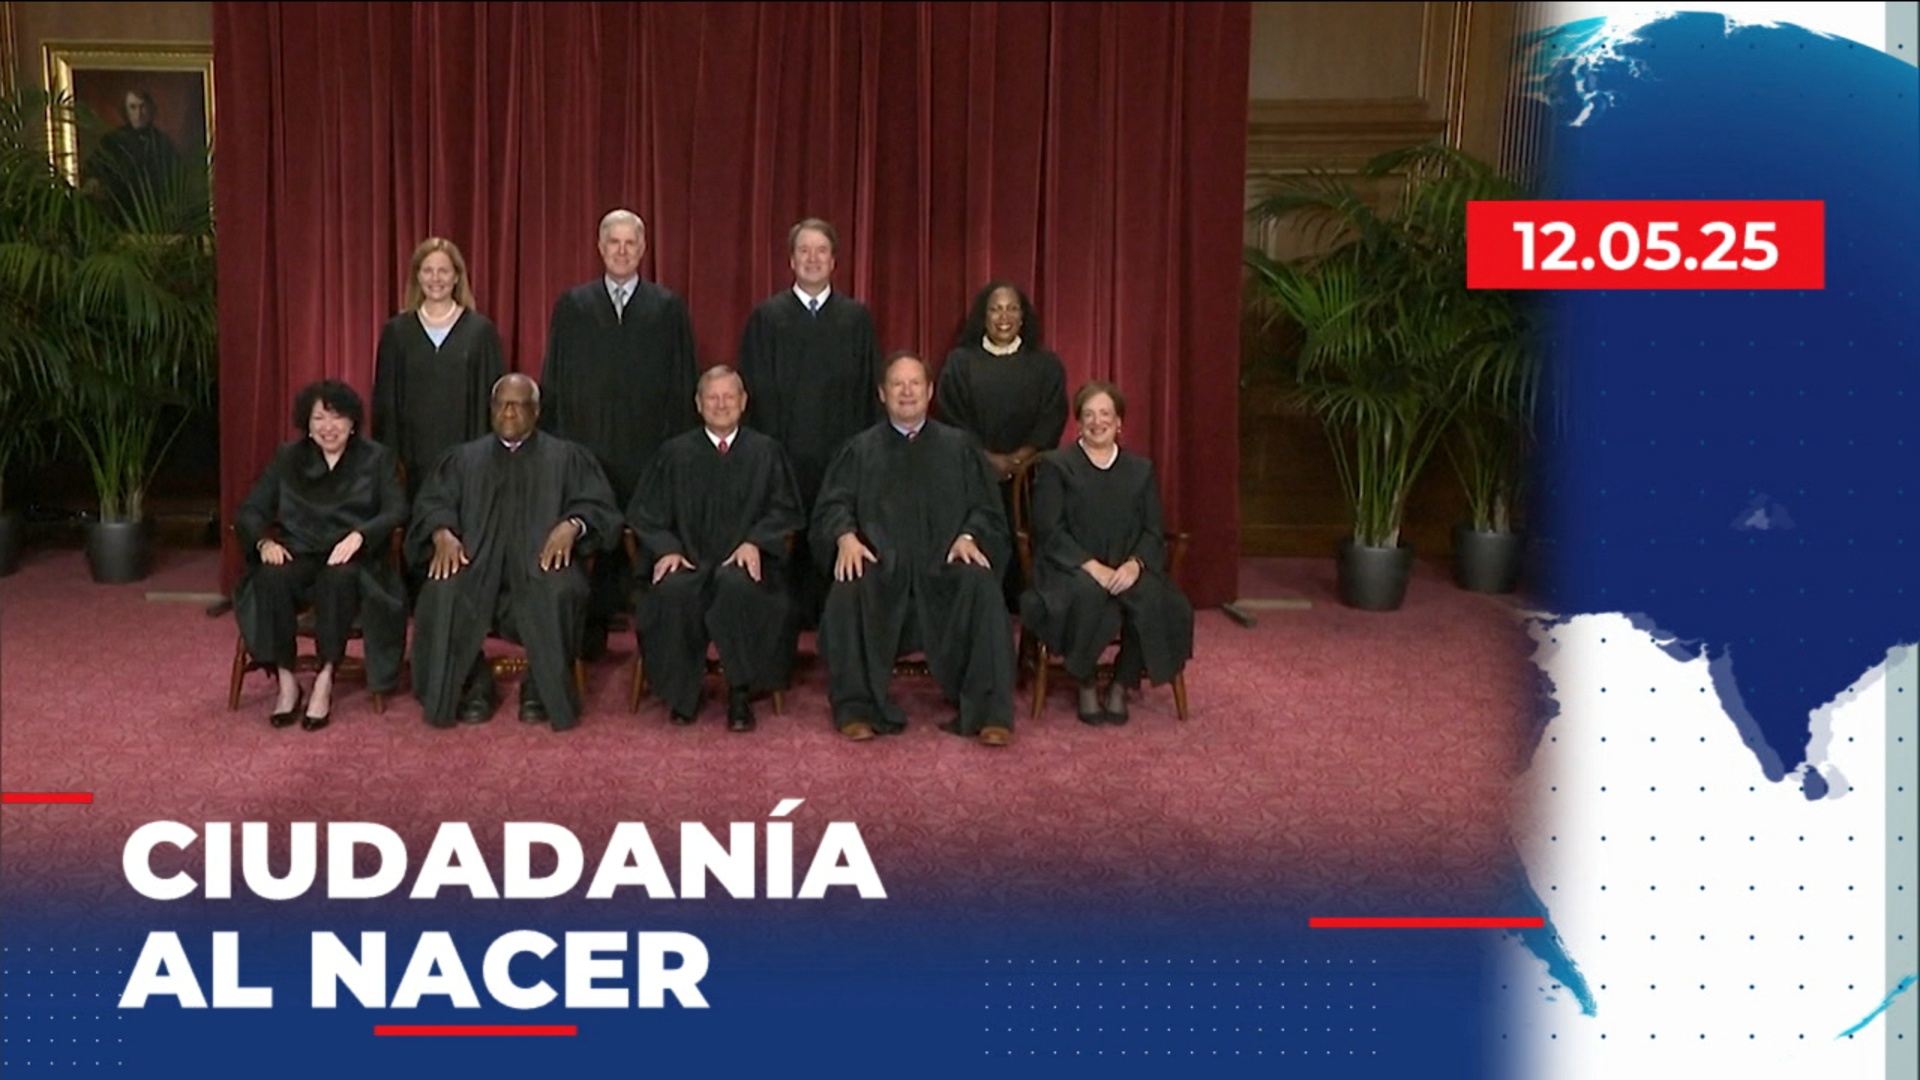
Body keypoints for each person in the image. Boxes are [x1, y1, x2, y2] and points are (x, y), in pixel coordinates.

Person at [811, 352, 1017, 747]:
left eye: (914, 383)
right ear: (882, 393)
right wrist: (845, 536)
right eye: (897, 384)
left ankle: (989, 712)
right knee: (849, 586)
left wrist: (969, 536)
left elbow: (987, 510)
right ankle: (856, 708)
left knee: (981, 585)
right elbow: (833, 504)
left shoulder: (959, 448)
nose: (906, 392)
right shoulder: (859, 450)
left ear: (929, 391)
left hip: (944, 566)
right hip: (880, 566)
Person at [408, 374, 622, 731]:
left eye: (519, 405)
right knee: (441, 589)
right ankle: (473, 683)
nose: (509, 412)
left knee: (561, 589)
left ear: (536, 411)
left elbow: (599, 507)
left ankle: (541, 686)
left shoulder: (566, 458)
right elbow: (433, 503)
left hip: (541, 565)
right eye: (502, 404)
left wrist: (573, 525)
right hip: (475, 565)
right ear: (491, 408)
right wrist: (442, 532)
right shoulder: (463, 459)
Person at [539, 209, 700, 658]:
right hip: (587, 445)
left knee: (645, 539)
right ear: (600, 247)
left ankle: (653, 637)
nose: (623, 251)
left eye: (631, 243)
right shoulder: (574, 307)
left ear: (643, 249)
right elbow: (555, 379)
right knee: (591, 531)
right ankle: (588, 633)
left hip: (648, 447)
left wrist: (677, 448)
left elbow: (683, 381)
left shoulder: (667, 308)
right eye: (614, 242)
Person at [629, 366, 805, 732]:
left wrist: (756, 542)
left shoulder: (766, 453)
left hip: (744, 565)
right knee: (674, 591)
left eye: (729, 397)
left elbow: (786, 511)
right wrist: (667, 549)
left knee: (738, 586)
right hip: (689, 561)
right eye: (713, 397)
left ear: (743, 401)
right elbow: (645, 515)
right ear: (698, 403)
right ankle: (682, 694)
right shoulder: (674, 454)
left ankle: (740, 693)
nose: (721, 404)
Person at [233, 380, 408, 732]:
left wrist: (360, 535)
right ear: (308, 425)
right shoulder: (288, 457)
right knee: (271, 576)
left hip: (352, 557)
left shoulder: (377, 458)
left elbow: (396, 510)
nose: (329, 427)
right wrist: (264, 544)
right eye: (319, 419)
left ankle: (326, 678)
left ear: (353, 422)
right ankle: (287, 680)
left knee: (338, 579)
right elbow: (250, 510)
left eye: (337, 417)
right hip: (299, 550)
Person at [736, 218, 883, 630]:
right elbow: (752, 393)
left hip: (841, 455)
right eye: (804, 250)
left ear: (834, 261)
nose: (812, 259)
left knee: (837, 531)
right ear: (791, 260)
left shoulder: (856, 319)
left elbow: (870, 391)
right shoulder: (767, 319)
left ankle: (836, 624)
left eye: (821, 251)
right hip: (783, 455)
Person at [1020, 381, 1193, 725]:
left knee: (1159, 601)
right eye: (1088, 415)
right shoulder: (1057, 465)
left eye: (1105, 414)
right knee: (1087, 594)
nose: (1097, 422)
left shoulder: (1140, 470)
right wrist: (1091, 566)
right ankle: (1084, 681)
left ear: (1118, 422)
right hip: (1070, 568)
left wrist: (1135, 564)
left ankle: (1121, 682)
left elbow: (1152, 530)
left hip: (1126, 565)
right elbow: (1049, 530)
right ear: (1078, 422)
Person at [936, 281, 1068, 604]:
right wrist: (987, 459)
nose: (1004, 317)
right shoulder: (959, 363)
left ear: (1023, 317)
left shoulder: (1046, 364)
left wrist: (1023, 456)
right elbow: (950, 415)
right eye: (995, 309)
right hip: (972, 475)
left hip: (1031, 479)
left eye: (1011, 309)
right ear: (983, 316)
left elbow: (1053, 414)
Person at [372, 237, 506, 501]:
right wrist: (392, 465)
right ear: (417, 276)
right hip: (411, 466)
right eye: (428, 271)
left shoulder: (480, 332)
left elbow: (492, 403)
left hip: (468, 465)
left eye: (443, 271)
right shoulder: (397, 332)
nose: (436, 278)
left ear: (456, 277)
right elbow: (386, 404)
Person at [84, 89, 181, 224]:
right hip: (120, 211)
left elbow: (177, 178)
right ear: (126, 111)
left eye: (142, 107)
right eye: (133, 107)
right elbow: (93, 167)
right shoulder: (112, 140)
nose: (138, 114)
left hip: (155, 215)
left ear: (150, 109)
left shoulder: (163, 143)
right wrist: (94, 181)